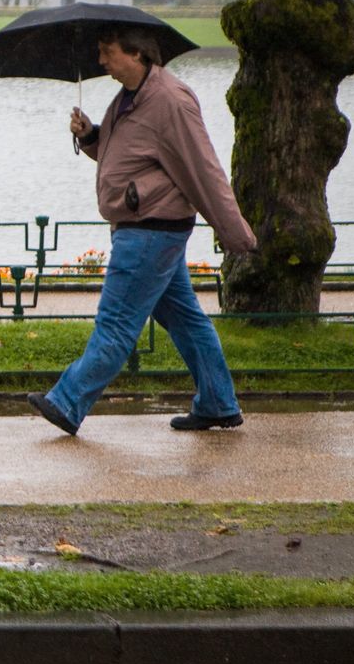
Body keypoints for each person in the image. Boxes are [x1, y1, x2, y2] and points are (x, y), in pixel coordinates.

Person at [27, 25, 257, 436]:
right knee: (185, 319)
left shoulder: (170, 100)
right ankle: (218, 403)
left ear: (136, 53)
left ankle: (67, 402)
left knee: (116, 323)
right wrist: (91, 135)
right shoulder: (129, 97)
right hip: (147, 228)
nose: (101, 60)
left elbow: (203, 169)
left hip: (150, 231)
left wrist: (236, 234)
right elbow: (126, 156)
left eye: (108, 51)